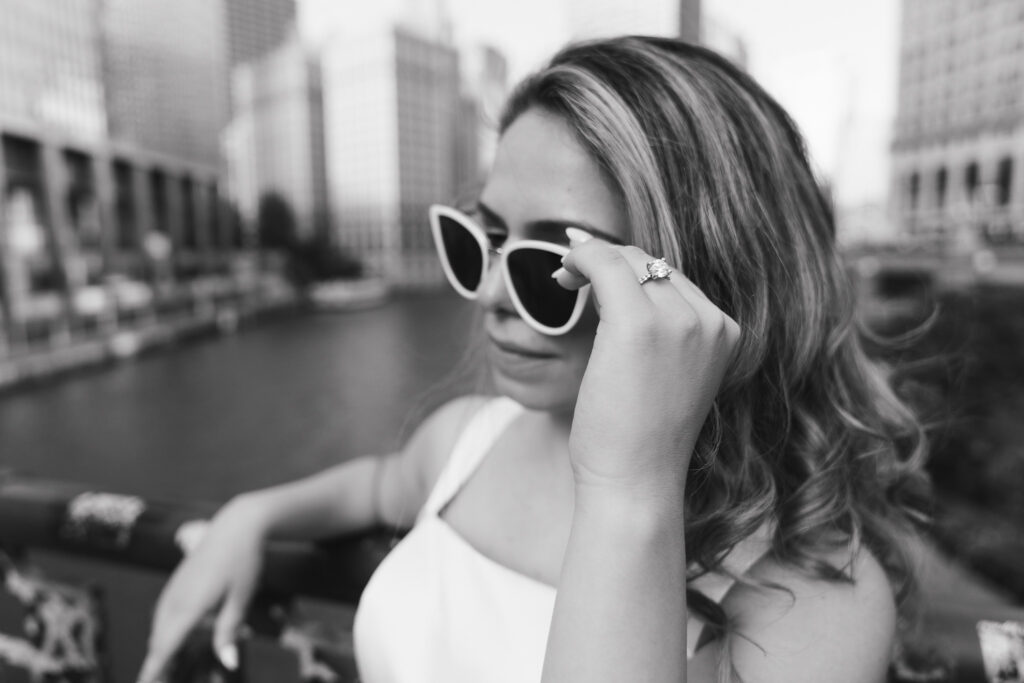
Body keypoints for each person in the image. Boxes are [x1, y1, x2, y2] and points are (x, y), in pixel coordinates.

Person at [138, 35, 931, 683]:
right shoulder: (472, 440)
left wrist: (629, 487)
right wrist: (253, 515)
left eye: (549, 263)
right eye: (477, 240)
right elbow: (376, 485)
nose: (486, 291)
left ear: (707, 282)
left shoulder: (815, 597)